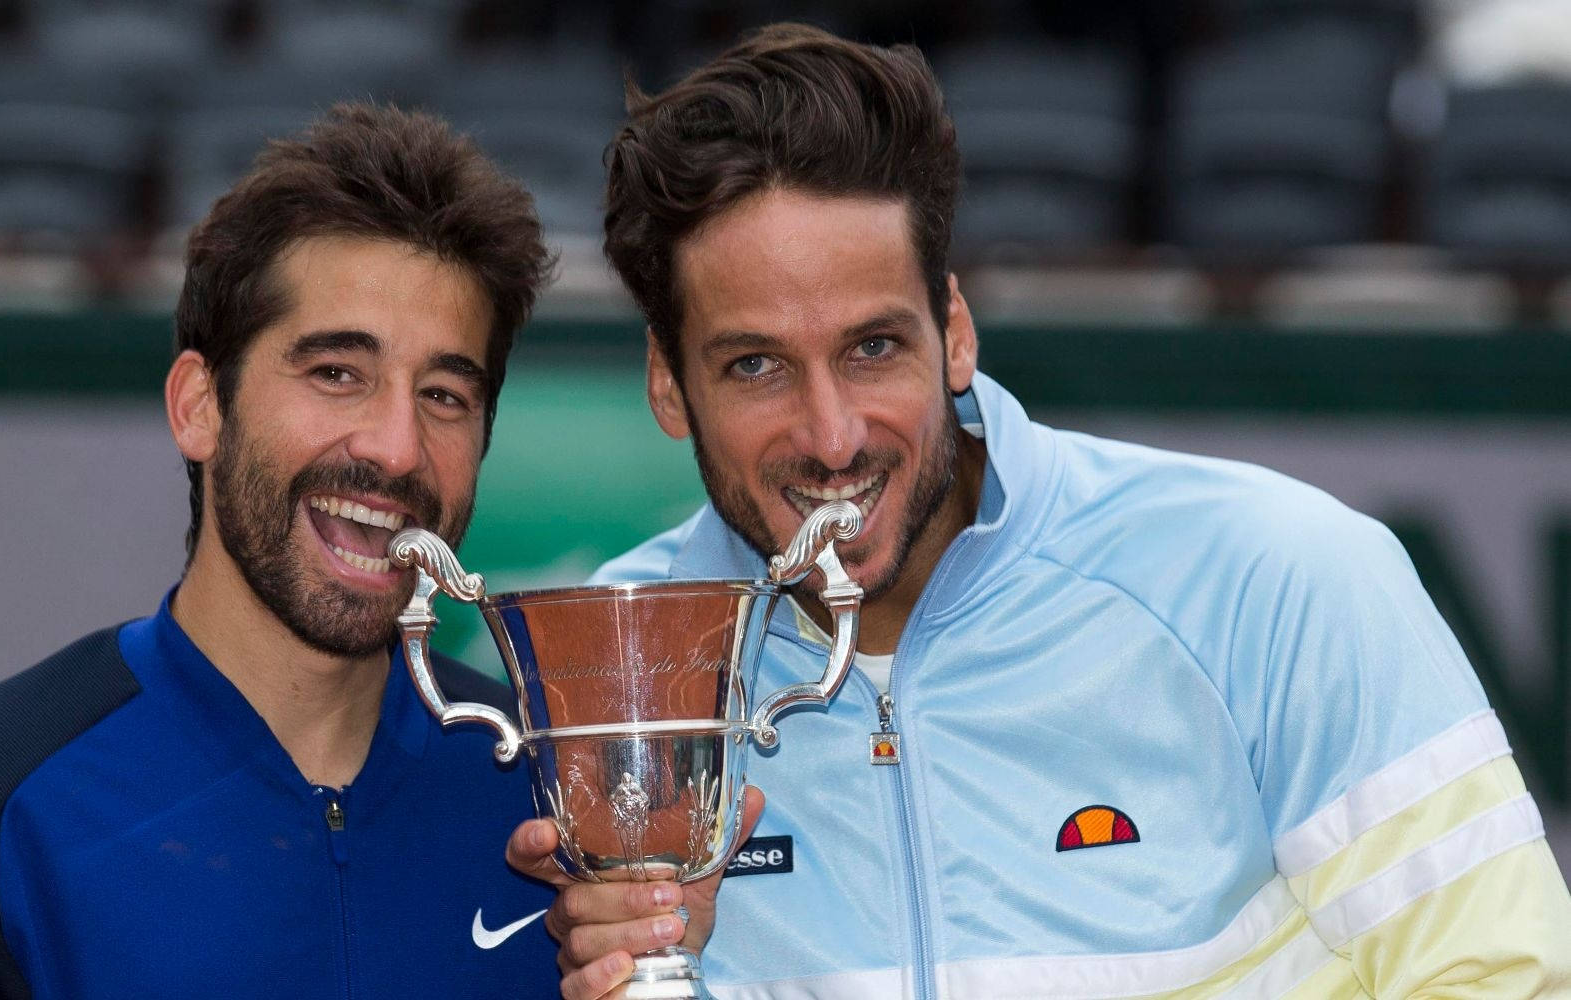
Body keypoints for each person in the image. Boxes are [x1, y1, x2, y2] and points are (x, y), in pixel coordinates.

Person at [510, 24, 1571, 1000]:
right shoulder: (609, 677)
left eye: (873, 347)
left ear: (955, 330)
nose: (832, 435)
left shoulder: (1280, 575)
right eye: (754, 365)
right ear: (664, 382)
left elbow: (1502, 979)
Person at [0, 103, 561, 999]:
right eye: (336, 374)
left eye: (443, 395)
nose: (396, 448)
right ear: (200, 405)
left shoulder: (557, 792)